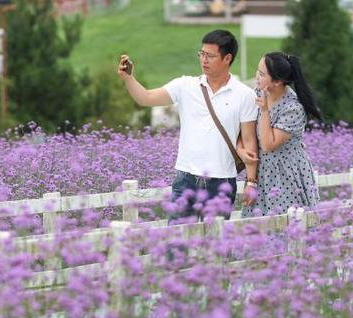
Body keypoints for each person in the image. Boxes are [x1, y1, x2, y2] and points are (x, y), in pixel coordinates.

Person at [117, 30, 259, 224]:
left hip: (222, 183)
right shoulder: (185, 86)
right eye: (201, 54)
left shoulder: (245, 95)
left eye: (210, 55)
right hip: (186, 179)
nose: (204, 60)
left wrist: (251, 182)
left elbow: (249, 141)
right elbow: (146, 98)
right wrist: (129, 79)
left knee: (214, 247)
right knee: (176, 246)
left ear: (227, 58)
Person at [239, 52, 322, 217]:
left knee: (287, 228)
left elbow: (269, 144)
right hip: (261, 173)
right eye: (258, 71)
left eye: (262, 74)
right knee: (257, 231)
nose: (257, 77)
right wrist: (241, 150)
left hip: (286, 174)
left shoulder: (293, 108)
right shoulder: (256, 94)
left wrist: (264, 110)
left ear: (277, 82)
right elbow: (243, 132)